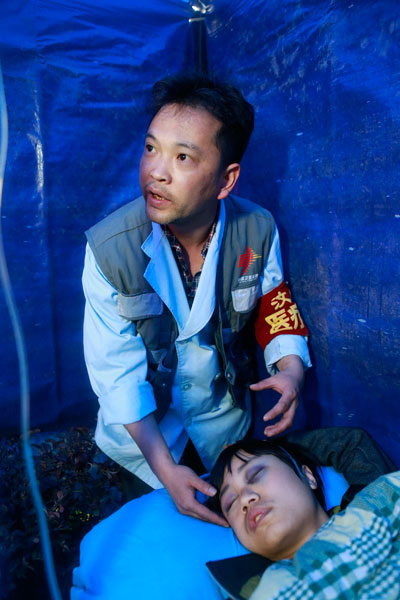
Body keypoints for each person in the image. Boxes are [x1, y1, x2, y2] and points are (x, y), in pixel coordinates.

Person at [82, 73, 311, 525]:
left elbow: (273, 303)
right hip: (145, 438)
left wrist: (292, 372)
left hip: (224, 424)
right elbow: (118, 376)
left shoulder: (257, 230)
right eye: (151, 148)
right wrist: (166, 469)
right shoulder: (109, 250)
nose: (156, 171)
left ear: (226, 180)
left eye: (182, 156)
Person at [206, 436, 400, 599]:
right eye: (231, 502)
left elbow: (352, 443)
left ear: (309, 477)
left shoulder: (373, 502)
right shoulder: (260, 591)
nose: (246, 499)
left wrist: (271, 442)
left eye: (256, 474)